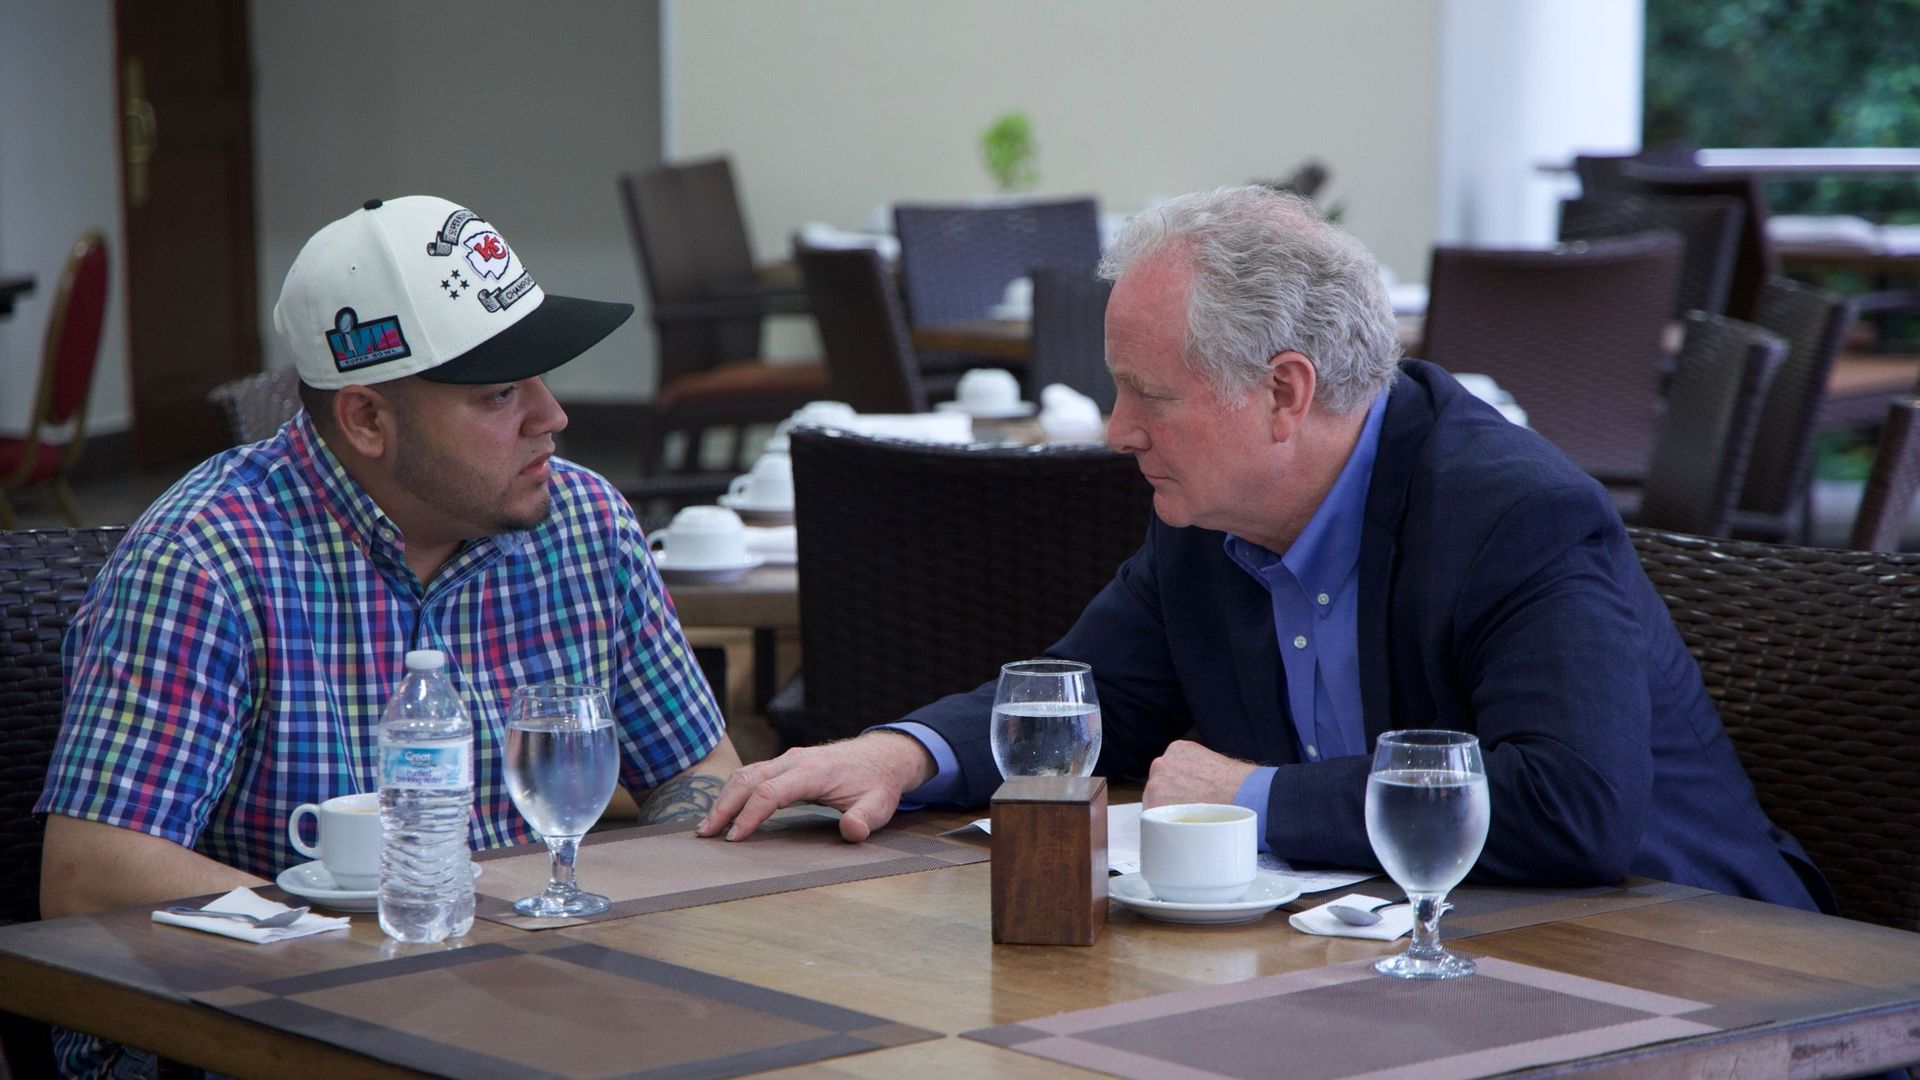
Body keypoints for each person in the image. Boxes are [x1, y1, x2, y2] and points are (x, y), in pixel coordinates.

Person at [699, 185, 1825, 915]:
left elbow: (1571, 807)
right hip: (1414, 958)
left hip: (1690, 958)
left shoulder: (1512, 515)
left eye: (1147, 394)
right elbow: (1087, 698)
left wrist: (1259, 798)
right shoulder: (1212, 516)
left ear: (1285, 393)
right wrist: (902, 754)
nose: (1117, 431)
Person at [37, 196, 740, 1077]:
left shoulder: (583, 523)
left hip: (534, 1011)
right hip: (254, 1032)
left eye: (541, 378)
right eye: (500, 393)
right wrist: (380, 961)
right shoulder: (208, 558)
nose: (553, 416)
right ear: (367, 420)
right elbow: (92, 875)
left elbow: (700, 773)